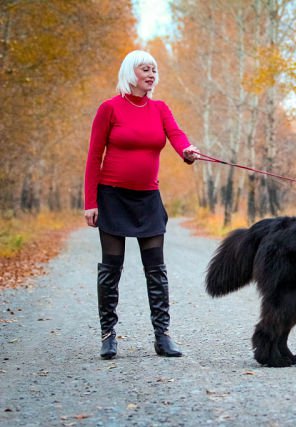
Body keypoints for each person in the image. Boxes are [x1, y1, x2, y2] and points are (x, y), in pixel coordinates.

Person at [84, 50, 200, 359]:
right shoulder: (109, 109)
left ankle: (162, 336)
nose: (150, 74)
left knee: (156, 270)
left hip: (148, 199)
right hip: (112, 197)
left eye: (153, 70)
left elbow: (176, 135)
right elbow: (94, 156)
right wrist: (90, 202)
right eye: (144, 69)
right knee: (111, 269)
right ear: (129, 73)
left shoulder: (160, 109)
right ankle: (108, 336)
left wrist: (187, 150)